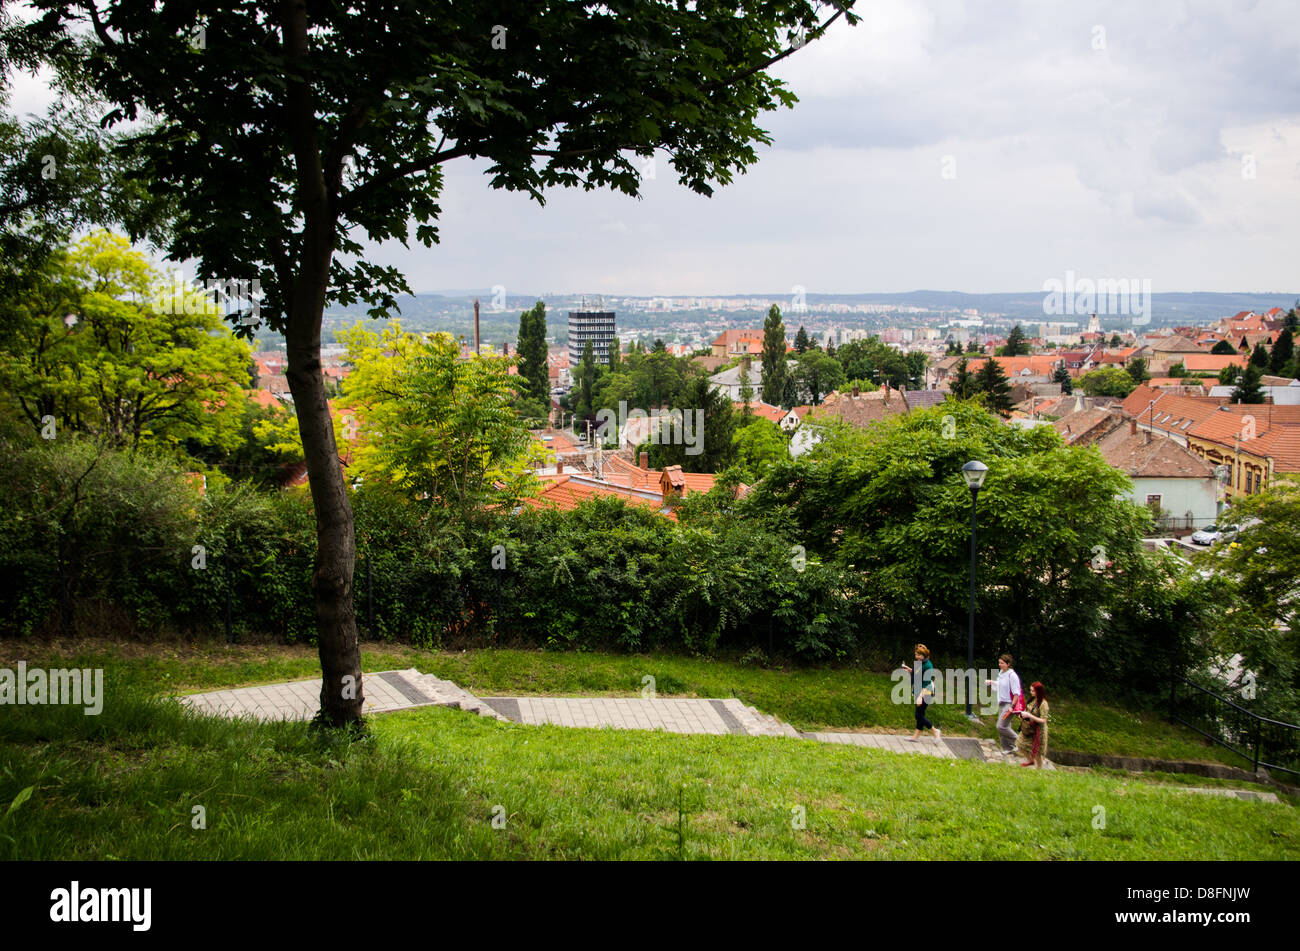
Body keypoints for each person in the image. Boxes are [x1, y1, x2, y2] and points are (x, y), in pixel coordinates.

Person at [898, 644, 940, 742]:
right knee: (920, 713)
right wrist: (909, 670)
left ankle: (935, 731)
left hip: (926, 692)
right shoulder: (919, 663)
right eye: (916, 654)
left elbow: (926, 683)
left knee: (918, 715)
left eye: (919, 655)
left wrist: (920, 697)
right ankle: (916, 737)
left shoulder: (928, 665)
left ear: (924, 655)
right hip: (919, 690)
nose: (917, 657)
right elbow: (918, 674)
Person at [985, 654, 1022, 756]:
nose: (1000, 665)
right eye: (999, 662)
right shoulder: (1001, 673)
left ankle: (1021, 741)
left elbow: (1016, 693)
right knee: (1005, 726)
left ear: (1008, 664)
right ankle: (1008, 747)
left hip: (1009, 704)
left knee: (1001, 726)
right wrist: (992, 682)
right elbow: (1000, 685)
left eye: (1002, 663)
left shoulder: (1012, 675)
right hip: (1001, 702)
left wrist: (1012, 707)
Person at [1015, 681, 1050, 768]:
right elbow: (1029, 711)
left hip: (1039, 731)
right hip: (1028, 728)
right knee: (1020, 744)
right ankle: (1031, 760)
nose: (1031, 692)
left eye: (1033, 691)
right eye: (1030, 690)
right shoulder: (1033, 700)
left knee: (1038, 752)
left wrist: (1030, 716)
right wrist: (1023, 715)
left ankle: (1039, 769)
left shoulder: (1043, 704)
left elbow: (1043, 720)